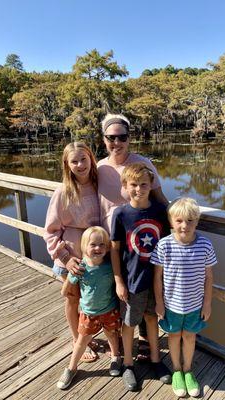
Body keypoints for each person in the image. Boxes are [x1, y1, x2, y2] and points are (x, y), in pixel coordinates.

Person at [98, 113, 168, 361]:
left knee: (145, 302)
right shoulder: (99, 167)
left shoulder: (143, 164)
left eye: (122, 137)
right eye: (111, 137)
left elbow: (161, 200)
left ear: (129, 138)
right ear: (104, 138)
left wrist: (181, 226)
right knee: (120, 296)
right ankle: (121, 353)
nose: (116, 142)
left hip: (144, 247)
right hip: (111, 244)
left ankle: (146, 348)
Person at [110, 163, 172, 392]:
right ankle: (128, 363)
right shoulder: (121, 214)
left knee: (152, 319)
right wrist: (118, 280)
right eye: (133, 185)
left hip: (155, 279)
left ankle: (156, 360)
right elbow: (115, 249)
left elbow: (168, 243)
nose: (139, 189)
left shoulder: (159, 211)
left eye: (144, 184)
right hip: (131, 281)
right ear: (125, 186)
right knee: (128, 324)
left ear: (151, 185)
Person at [151, 197, 217, 397]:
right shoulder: (164, 245)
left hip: (195, 305)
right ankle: (177, 370)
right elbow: (157, 277)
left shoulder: (205, 245)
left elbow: (209, 277)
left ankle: (188, 370)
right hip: (171, 305)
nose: (184, 225)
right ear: (171, 222)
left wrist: (207, 304)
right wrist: (159, 303)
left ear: (197, 222)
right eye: (179, 220)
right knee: (174, 336)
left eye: (190, 220)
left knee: (189, 337)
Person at [44, 142, 100, 362]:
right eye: (74, 161)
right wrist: (65, 258)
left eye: (83, 159)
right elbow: (50, 231)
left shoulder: (99, 185)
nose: (80, 165)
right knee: (73, 298)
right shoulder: (63, 192)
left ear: (91, 159)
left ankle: (87, 333)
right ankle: (77, 338)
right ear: (67, 164)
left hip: (96, 254)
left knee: (92, 299)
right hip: (73, 255)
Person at [57, 226, 121, 389]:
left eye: (102, 245)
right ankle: (71, 368)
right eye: (93, 245)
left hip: (109, 310)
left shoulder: (110, 266)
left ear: (107, 248)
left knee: (112, 335)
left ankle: (115, 357)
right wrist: (68, 284)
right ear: (84, 247)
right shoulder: (80, 268)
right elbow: (65, 290)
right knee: (81, 341)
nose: (98, 248)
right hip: (88, 314)